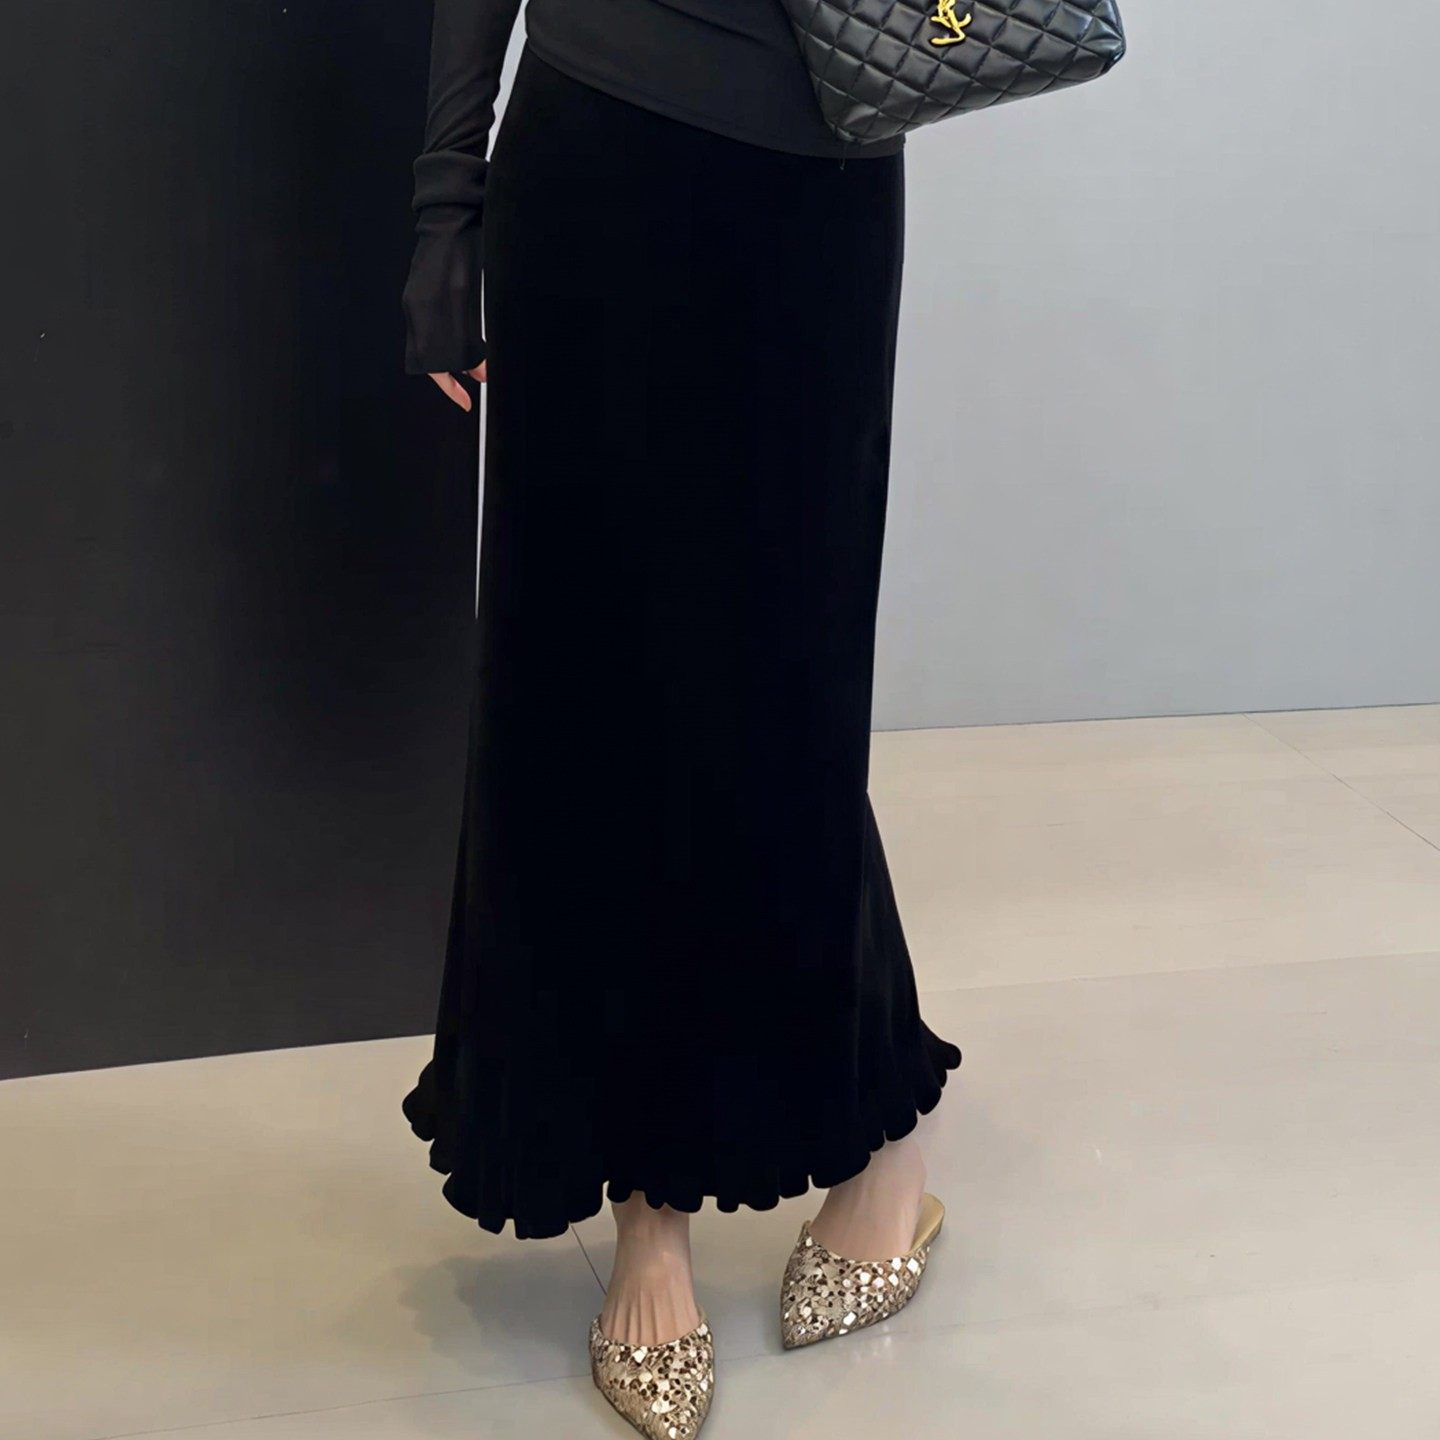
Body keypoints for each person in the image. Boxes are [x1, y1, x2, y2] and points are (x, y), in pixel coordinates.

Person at [399, 0, 962, 1432]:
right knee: (589, 686)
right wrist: (446, 199)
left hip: (816, 175)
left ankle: (882, 1148)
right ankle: (652, 1215)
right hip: (596, 146)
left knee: (787, 692)